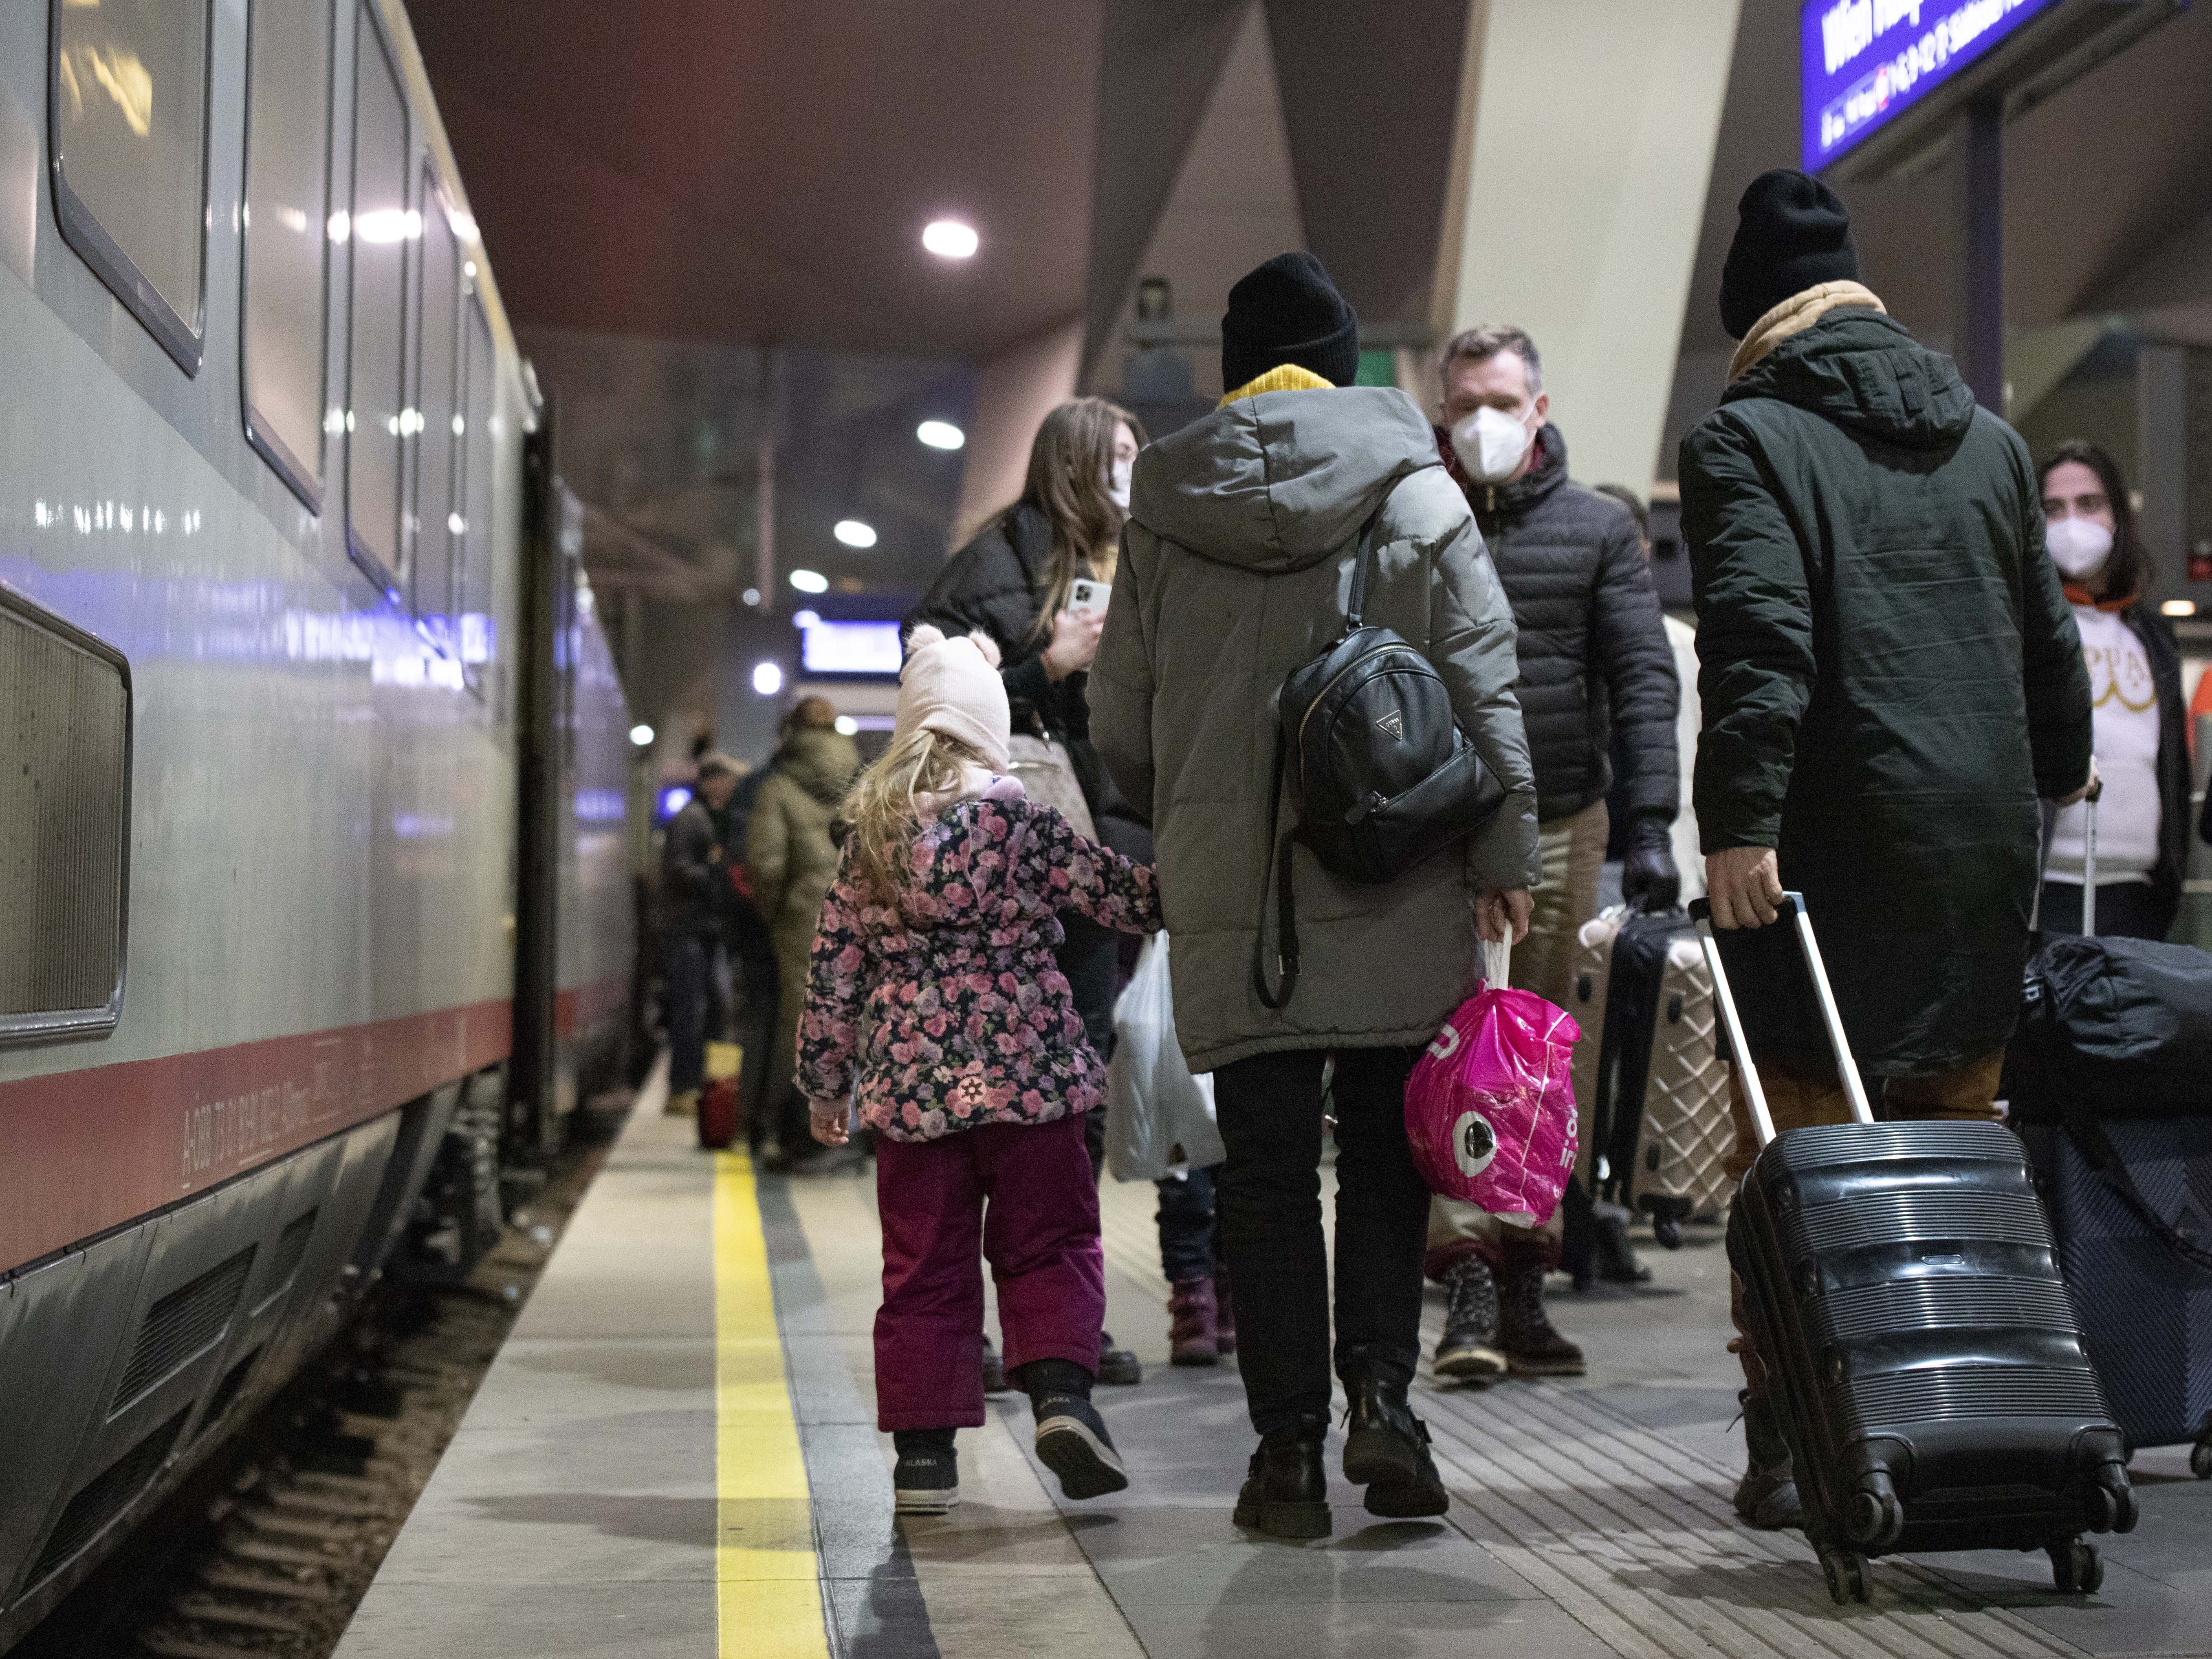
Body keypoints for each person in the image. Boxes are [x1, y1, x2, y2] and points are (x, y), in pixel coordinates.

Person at [1090, 250, 1539, 1540]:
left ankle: (1284, 1455)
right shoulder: (1417, 495)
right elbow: (1483, 680)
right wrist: (1504, 854)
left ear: (1236, 371)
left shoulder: (1168, 515)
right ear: (1345, 367)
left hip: (1238, 897)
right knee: (1389, 1170)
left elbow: (1124, 719)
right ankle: (1384, 1414)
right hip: (1397, 876)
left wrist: (1200, 807)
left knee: (1268, 1175)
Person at [1681, 169, 2094, 1529]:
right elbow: (2043, 628)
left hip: (1821, 852)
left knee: (1795, 1156)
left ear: (1750, 315)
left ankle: (1795, 1432)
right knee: (1954, 1147)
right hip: (1975, 847)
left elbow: (1757, 641)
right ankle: (1960, 1420)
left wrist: (1737, 820)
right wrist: (2056, 760)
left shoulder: (1743, 438)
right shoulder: (1985, 436)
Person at [797, 625, 1162, 1516]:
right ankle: (1061, 1400)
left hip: (910, 1093)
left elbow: (832, 968)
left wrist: (822, 1081)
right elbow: (1123, 896)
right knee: (1049, 1243)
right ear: (992, 729)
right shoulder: (1024, 824)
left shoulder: (868, 842)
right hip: (1029, 1080)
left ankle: (923, 1458)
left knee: (921, 1268)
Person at [1420, 326, 1683, 1381]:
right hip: (1432, 824)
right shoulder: (1413, 515)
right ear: (1441, 410)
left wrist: (1655, 821)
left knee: (1534, 1055)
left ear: (1538, 407)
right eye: (1463, 402)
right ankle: (1469, 1282)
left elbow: (1642, 678)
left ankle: (1522, 1284)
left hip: (1561, 819)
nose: (1480, 420)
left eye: (1499, 399)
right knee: (1450, 1048)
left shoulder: (1595, 529)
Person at [911, 396, 1156, 1385]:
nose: (1133, 472)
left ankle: (1058, 1322)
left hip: (1101, 851)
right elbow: (928, 694)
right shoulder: (989, 567)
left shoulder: (1144, 563)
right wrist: (1040, 665)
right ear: (1075, 462)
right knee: (978, 1096)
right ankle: (959, 1317)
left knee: (1076, 1095)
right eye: (1121, 455)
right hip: (1002, 862)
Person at [2035, 440, 2188, 940]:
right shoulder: (2022, 622)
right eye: (2053, 508)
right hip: (2044, 887)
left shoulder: (2151, 634)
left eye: (2089, 504)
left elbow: (2172, 763)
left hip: (2138, 893)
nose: (2071, 522)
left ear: (2117, 515)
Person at [746, 697, 861, 1167]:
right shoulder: (858, 782)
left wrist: (774, 913)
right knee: (855, 1019)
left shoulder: (778, 787)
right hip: (856, 915)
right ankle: (851, 1135)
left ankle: (800, 1134)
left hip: (801, 919)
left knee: (799, 1023)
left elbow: (766, 864)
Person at [660, 752, 742, 1118]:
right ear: (713, 782)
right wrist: (717, 877)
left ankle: (697, 1089)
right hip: (689, 930)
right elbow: (678, 870)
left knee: (705, 1010)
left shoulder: (703, 817)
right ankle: (682, 1089)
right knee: (690, 1011)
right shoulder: (692, 820)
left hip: (701, 930)